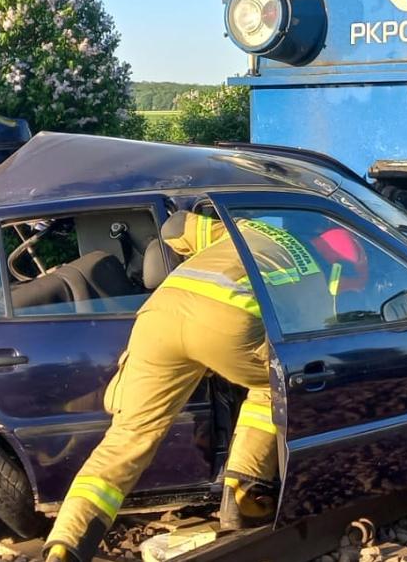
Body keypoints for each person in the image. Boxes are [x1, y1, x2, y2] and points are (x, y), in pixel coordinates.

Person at [42, 207, 328, 562]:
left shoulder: (245, 228)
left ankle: (66, 543)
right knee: (276, 385)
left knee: (128, 437)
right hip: (229, 322)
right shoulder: (317, 268)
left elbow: (175, 227)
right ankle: (244, 491)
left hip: (159, 317)